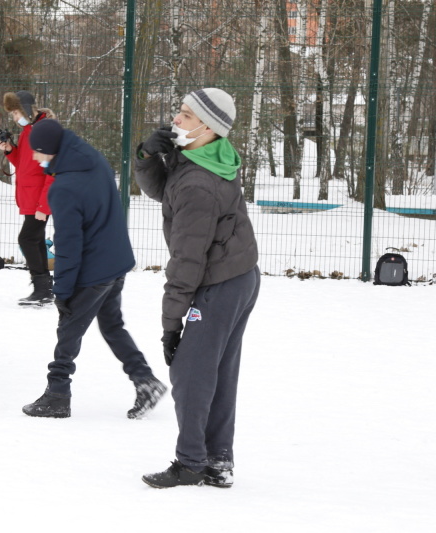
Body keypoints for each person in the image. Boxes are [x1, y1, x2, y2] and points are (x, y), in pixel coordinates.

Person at [134, 88, 260, 488]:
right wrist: (149, 157)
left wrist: (172, 326)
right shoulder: (210, 157)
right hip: (240, 275)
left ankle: (190, 463)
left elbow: (187, 262)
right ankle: (218, 461)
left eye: (186, 115)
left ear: (209, 127)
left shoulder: (197, 186)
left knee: (190, 373)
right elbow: (162, 191)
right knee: (218, 372)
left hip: (219, 282)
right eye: (179, 111)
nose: (176, 120)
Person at [21, 119, 167, 419]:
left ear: (50, 149)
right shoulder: (94, 160)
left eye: (37, 152)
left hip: (93, 272)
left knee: (68, 332)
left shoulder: (63, 189)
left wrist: (61, 292)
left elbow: (68, 245)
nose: (35, 158)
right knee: (112, 326)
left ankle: (57, 394)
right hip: (117, 262)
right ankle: (145, 380)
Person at [0, 90, 56, 306]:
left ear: (28, 109)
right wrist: (9, 149)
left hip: (40, 198)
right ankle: (44, 288)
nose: (14, 117)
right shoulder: (29, 130)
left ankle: (42, 289)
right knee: (35, 240)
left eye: (16, 112)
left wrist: (43, 205)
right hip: (31, 196)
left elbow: (52, 171)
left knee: (27, 239)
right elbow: (25, 164)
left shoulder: (44, 130)